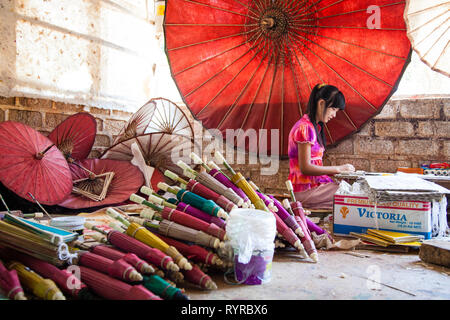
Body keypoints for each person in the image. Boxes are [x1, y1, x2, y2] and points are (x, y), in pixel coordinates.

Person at [288, 83, 355, 210]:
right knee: (351, 197)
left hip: (315, 186)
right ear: (321, 104)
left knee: (349, 189)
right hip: (306, 190)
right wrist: (338, 169)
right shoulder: (304, 128)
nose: (334, 115)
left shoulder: (314, 127)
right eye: (333, 109)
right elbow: (305, 168)